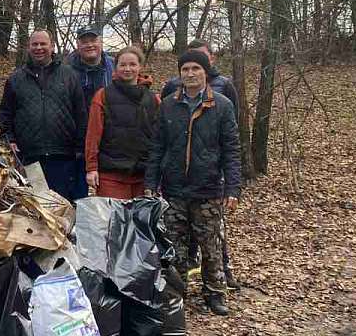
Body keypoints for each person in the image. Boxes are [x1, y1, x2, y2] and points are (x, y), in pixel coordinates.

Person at [145, 50, 241, 315]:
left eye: (195, 69)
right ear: (180, 74)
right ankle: (177, 293)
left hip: (208, 189)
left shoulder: (222, 105)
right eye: (185, 69)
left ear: (205, 72)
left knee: (211, 245)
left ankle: (215, 293)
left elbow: (231, 149)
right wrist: (151, 182)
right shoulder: (168, 105)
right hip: (174, 189)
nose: (190, 74)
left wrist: (233, 188)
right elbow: (157, 147)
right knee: (175, 246)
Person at [0, 29, 88, 200]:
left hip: (63, 157)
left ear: (52, 46)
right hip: (29, 157)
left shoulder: (69, 76)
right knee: (38, 206)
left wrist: (80, 147)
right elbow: (5, 113)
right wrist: (9, 139)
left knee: (63, 206)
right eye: (35, 44)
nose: (39, 48)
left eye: (43, 44)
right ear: (28, 47)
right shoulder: (16, 79)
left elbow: (81, 113)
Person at [85, 45, 160, 199]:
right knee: (113, 215)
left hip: (143, 176)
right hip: (111, 176)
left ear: (140, 67)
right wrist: (91, 168)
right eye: (123, 65)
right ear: (116, 67)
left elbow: (159, 139)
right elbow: (93, 135)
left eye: (132, 64)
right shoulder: (102, 96)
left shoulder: (153, 99)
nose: (127, 69)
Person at [67, 24, 115, 112]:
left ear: (101, 42)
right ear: (78, 45)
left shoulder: (115, 66)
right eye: (84, 42)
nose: (89, 45)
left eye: (93, 40)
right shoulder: (67, 72)